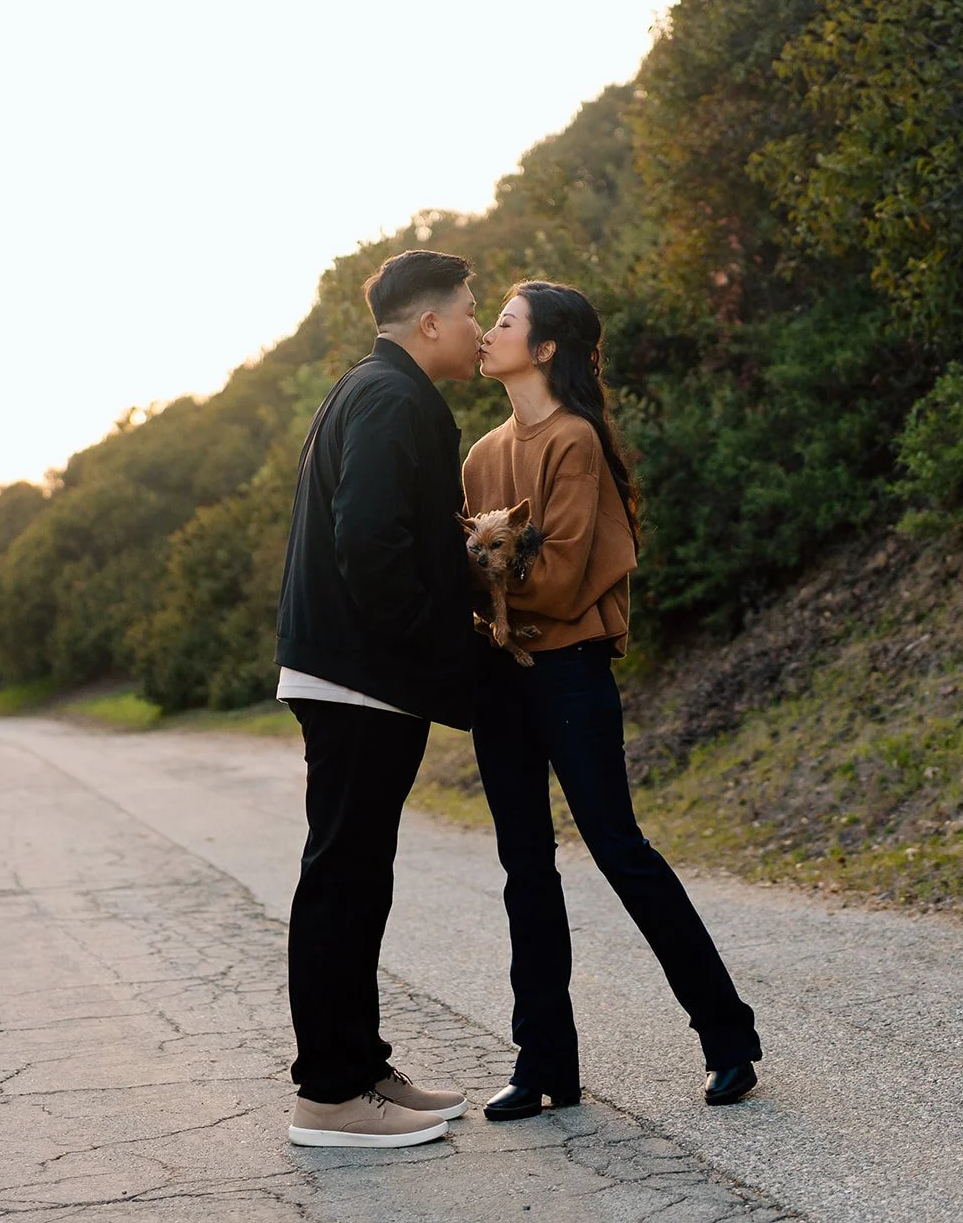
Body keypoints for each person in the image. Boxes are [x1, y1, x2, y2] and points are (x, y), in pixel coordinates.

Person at [463, 280, 762, 1121]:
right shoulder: (482, 453)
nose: (488, 332)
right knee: (523, 867)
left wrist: (487, 581)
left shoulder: (574, 440)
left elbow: (556, 582)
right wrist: (487, 584)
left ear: (546, 347)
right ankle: (543, 1062)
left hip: (567, 672)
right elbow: (479, 573)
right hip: (499, 678)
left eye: (506, 322)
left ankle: (727, 1035)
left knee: (618, 849)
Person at [275, 249, 483, 1148]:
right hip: (357, 680)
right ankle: (328, 1093)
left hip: (354, 677)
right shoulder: (395, 397)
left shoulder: (370, 386)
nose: (479, 326)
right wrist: (440, 652)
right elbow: (367, 542)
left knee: (358, 880)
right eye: (472, 311)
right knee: (344, 883)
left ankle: (360, 1068)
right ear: (429, 323)